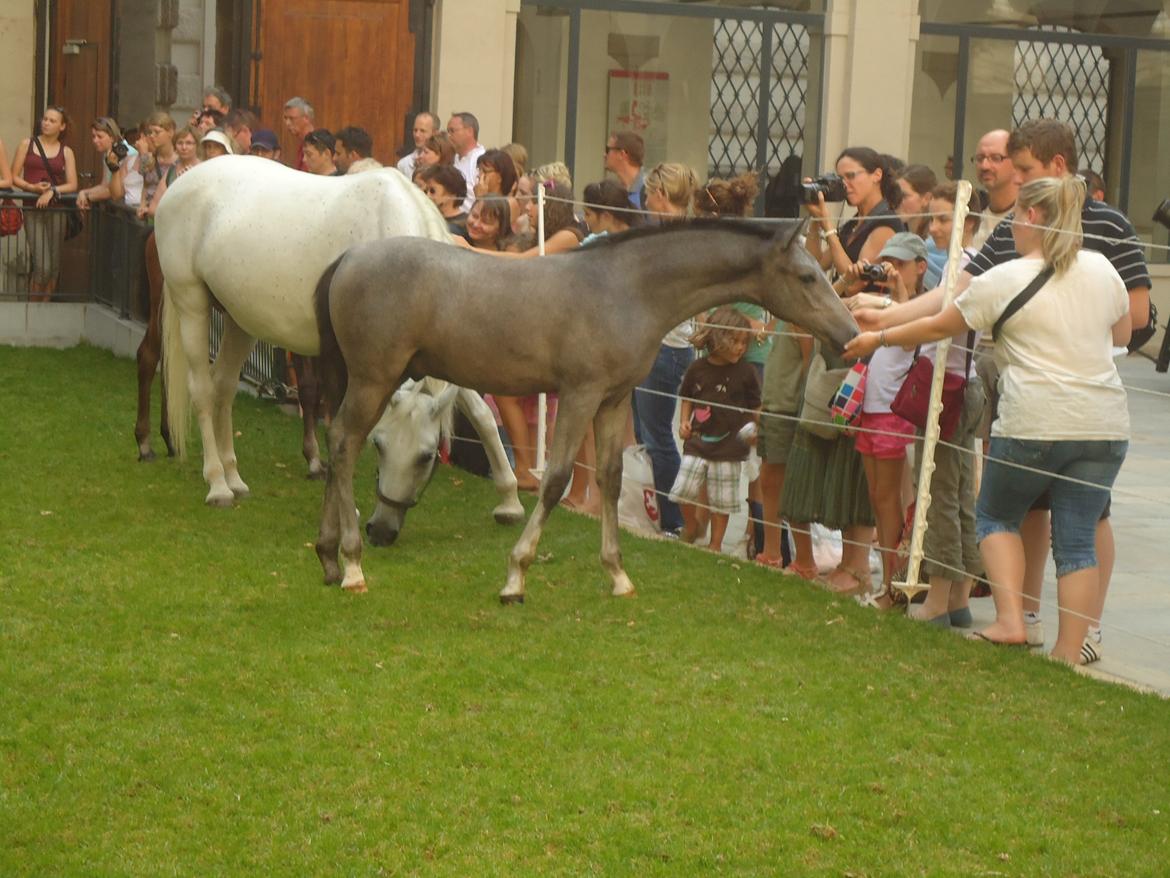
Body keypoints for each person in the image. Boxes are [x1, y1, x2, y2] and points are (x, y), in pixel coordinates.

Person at [861, 119, 1150, 660]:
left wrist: (878, 332)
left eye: (1022, 181)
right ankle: (1061, 642)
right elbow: (1124, 330)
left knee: (998, 514)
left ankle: (1031, 622)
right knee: (1073, 533)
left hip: (1037, 416)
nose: (1009, 193)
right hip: (1102, 419)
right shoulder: (1096, 268)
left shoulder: (1032, 264)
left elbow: (943, 321)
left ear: (1037, 210)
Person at [849, 233, 925, 603]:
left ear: (920, 267)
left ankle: (893, 585)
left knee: (888, 499)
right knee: (878, 498)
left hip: (892, 417)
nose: (894, 269)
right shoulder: (884, 304)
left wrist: (898, 292)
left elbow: (909, 339)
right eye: (889, 262)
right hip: (871, 412)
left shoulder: (918, 308)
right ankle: (888, 582)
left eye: (902, 264)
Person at [635, 162, 701, 536]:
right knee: (651, 432)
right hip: (657, 343)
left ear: (660, 194)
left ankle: (675, 520)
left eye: (648, 193)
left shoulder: (676, 238)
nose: (644, 200)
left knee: (658, 435)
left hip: (668, 346)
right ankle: (664, 513)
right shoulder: (670, 234)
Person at [669, 307, 761, 553]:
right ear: (718, 338)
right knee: (682, 490)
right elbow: (687, 396)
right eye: (735, 342)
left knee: (723, 500)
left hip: (730, 448)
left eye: (744, 342)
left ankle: (715, 544)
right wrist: (684, 422)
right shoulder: (697, 368)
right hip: (698, 443)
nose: (741, 348)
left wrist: (758, 429)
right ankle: (692, 526)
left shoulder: (747, 372)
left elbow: (756, 405)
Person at [9, 105, 78, 301]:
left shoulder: (66, 152)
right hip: (33, 209)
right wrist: (33, 189)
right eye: (45, 119)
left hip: (57, 211)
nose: (46, 123)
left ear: (62, 126)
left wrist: (52, 191)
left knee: (54, 267)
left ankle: (45, 309)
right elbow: (14, 177)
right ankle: (32, 312)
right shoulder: (27, 144)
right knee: (42, 266)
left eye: (52, 121)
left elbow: (72, 184)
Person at [804, 146, 904, 281]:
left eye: (851, 176)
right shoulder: (853, 224)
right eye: (840, 179)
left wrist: (827, 225)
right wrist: (816, 220)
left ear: (877, 175)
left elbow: (855, 284)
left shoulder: (886, 224)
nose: (845, 185)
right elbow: (815, 266)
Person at [894, 163, 945, 288]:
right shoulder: (902, 237)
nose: (897, 201)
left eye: (904, 196)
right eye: (895, 195)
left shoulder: (937, 242)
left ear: (926, 199)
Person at [76, 116, 140, 210]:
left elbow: (117, 190)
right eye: (93, 136)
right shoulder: (108, 154)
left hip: (131, 208)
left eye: (100, 136)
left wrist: (89, 197)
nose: (95, 140)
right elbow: (105, 185)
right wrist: (83, 193)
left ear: (112, 137)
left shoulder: (128, 154)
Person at [970, 128, 1018, 248]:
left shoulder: (1029, 219)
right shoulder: (970, 218)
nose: (984, 166)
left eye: (996, 158)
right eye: (980, 158)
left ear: (1016, 162)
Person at [145, 125, 202, 216]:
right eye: (180, 143)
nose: (184, 147)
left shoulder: (203, 169)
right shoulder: (172, 170)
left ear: (197, 145)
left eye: (189, 143)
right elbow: (153, 208)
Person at [136, 111, 177, 219]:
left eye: (157, 132)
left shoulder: (179, 160)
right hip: (149, 215)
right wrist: (142, 205)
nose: (152, 136)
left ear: (170, 132)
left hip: (168, 214)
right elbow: (145, 185)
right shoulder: (148, 157)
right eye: (150, 132)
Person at [447, 112, 485, 211]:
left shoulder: (481, 160)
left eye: (452, 131)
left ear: (469, 131)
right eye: (448, 131)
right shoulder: (452, 158)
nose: (449, 135)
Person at [418, 164, 468, 235]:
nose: (427, 195)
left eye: (432, 191)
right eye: (426, 191)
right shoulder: (428, 219)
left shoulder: (466, 224)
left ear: (452, 192)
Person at [604, 131, 646, 210]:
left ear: (622, 154)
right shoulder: (614, 191)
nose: (604, 155)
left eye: (607, 150)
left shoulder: (650, 190)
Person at [396, 112, 438, 179]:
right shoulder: (404, 164)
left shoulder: (443, 164)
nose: (417, 135)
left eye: (422, 131)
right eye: (415, 130)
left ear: (435, 133)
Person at [282, 96, 316, 171]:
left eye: (292, 118)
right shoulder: (303, 144)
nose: (287, 123)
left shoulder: (316, 145)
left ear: (306, 118)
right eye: (285, 118)